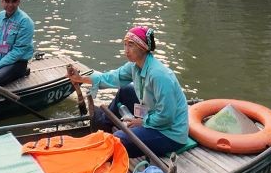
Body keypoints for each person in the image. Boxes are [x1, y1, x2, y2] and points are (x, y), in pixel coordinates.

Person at [69, 26, 189, 158]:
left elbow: (167, 116)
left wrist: (142, 122)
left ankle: (109, 145)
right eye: (125, 45)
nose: (126, 50)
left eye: (131, 45)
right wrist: (81, 79)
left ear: (143, 47)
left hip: (169, 133)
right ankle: (104, 127)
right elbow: (112, 77)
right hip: (153, 114)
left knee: (118, 140)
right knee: (125, 91)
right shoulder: (135, 66)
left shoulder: (159, 75)